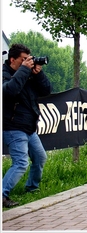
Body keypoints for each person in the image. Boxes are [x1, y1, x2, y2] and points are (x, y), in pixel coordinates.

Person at [2, 44, 52, 208]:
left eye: (28, 59)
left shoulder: (28, 74)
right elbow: (10, 91)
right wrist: (24, 71)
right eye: (24, 60)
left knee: (40, 157)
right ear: (12, 60)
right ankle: (2, 194)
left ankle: (32, 188)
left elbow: (46, 91)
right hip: (12, 127)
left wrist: (38, 74)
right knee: (21, 163)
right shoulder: (4, 75)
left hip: (29, 127)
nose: (28, 63)